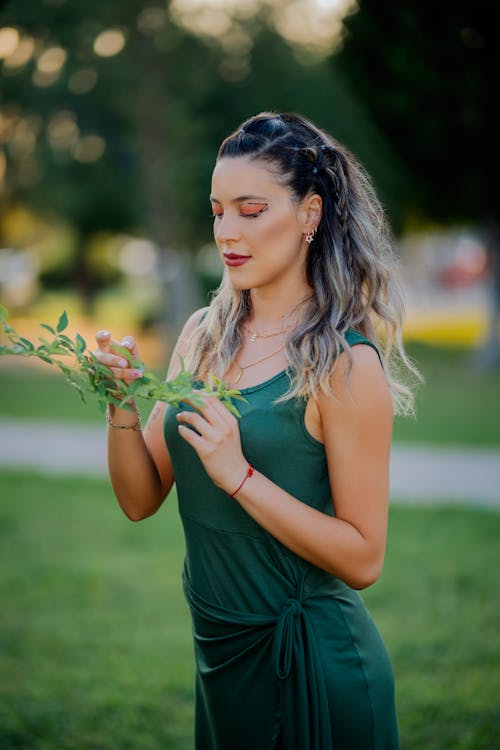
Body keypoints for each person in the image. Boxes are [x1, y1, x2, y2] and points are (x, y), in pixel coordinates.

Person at [94, 111, 418, 750]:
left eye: (250, 209)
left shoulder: (345, 365)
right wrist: (121, 406)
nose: (226, 232)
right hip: (221, 665)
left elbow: (364, 557)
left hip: (314, 668)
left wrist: (238, 476)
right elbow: (139, 501)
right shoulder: (201, 337)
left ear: (309, 213)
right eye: (217, 211)